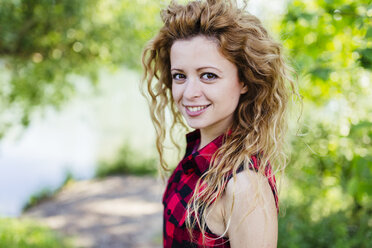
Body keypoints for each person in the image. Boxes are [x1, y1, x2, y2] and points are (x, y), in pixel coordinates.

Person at [141, 0, 295, 247]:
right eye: (180, 76)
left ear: (244, 81)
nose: (189, 92)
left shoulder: (245, 187)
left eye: (208, 76)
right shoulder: (196, 156)